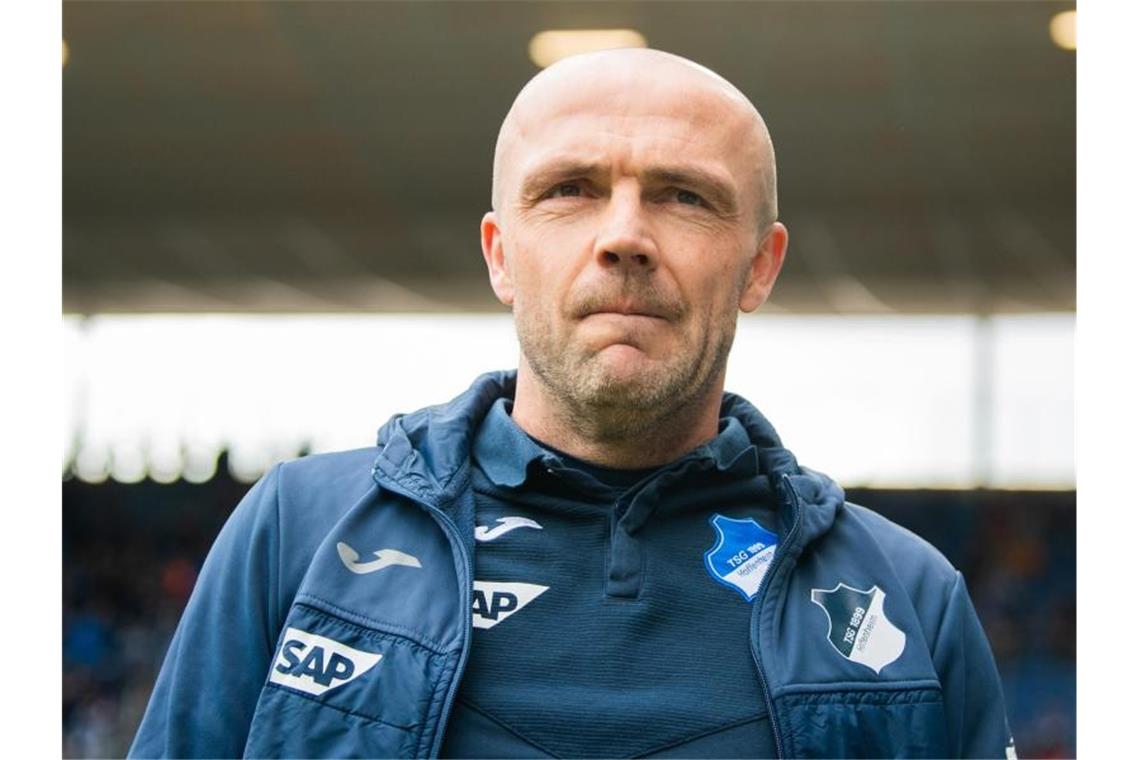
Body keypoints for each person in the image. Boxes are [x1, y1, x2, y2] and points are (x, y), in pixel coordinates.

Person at [129, 49, 1015, 759]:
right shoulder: (298, 536)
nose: (625, 236)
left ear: (760, 266)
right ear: (501, 255)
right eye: (569, 191)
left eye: (684, 195)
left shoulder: (910, 598)